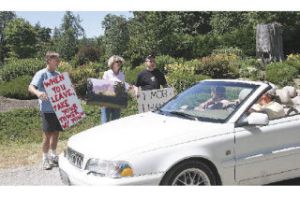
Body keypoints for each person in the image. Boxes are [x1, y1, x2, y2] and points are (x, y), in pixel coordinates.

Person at [28, 51, 62, 170]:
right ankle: (45, 158)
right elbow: (30, 87)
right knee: (47, 136)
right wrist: (38, 92)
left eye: (58, 59)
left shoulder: (58, 74)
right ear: (48, 60)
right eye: (55, 59)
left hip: (59, 109)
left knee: (56, 133)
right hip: (47, 110)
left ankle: (53, 155)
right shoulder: (42, 73)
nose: (58, 61)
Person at [101, 55, 131, 124]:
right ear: (112, 63)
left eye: (120, 62)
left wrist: (127, 88)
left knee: (116, 122)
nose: (119, 63)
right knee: (105, 122)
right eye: (117, 61)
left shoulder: (122, 75)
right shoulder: (107, 73)